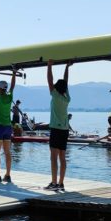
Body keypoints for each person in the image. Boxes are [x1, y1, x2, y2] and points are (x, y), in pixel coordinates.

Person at [45, 60, 72, 191]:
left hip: (56, 129)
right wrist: (67, 67)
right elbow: (65, 82)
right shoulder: (67, 98)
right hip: (65, 130)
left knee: (53, 157)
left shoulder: (55, 95)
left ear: (56, 88)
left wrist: (49, 65)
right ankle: (61, 183)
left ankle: (54, 183)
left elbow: (49, 80)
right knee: (62, 157)